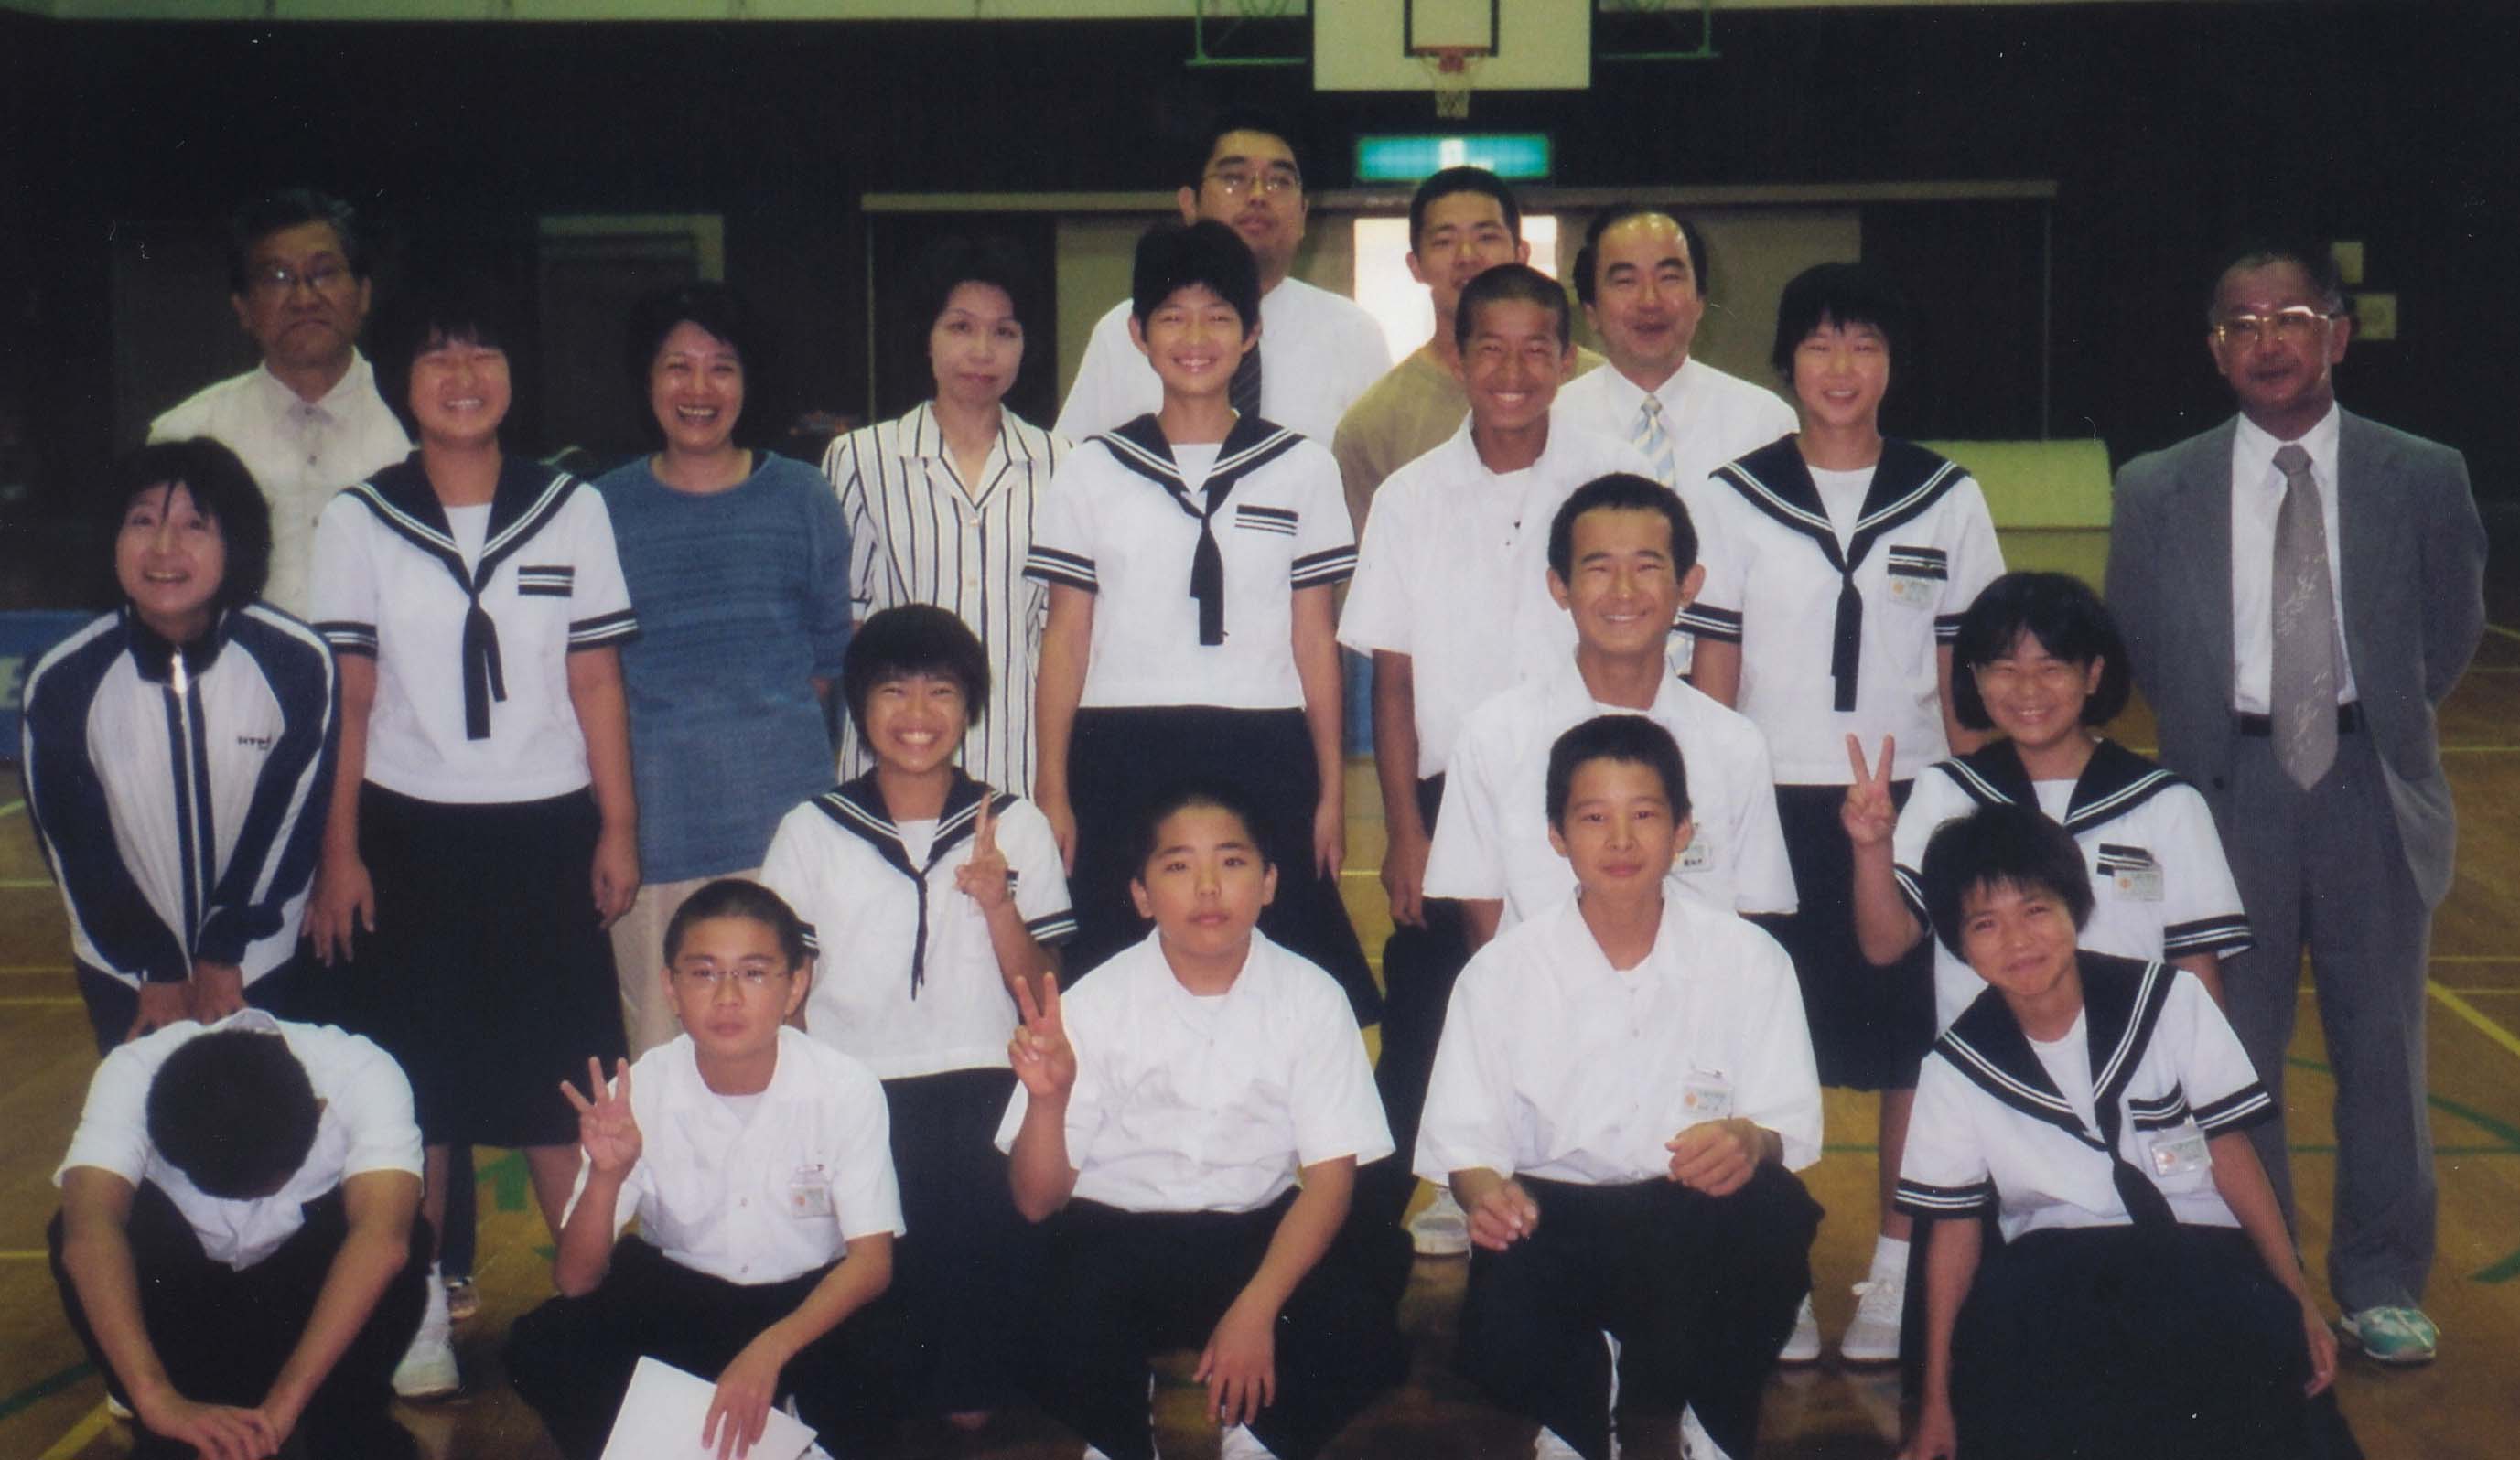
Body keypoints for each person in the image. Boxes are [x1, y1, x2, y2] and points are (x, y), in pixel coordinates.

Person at [2107, 240, 2485, 1365]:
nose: (2267, 341)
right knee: (2234, 1048)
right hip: (2225, 795)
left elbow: (2450, 630)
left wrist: (2367, 720)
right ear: (2215, 348)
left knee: (2383, 1047)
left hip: (2370, 784)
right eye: (2243, 323)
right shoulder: (2155, 486)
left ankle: (2381, 1281)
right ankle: (2263, 1280)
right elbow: (2140, 640)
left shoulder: (2423, 474)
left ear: (2339, 334)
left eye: (2291, 318)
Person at [306, 280, 639, 1397]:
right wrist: (339, 852)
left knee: (567, 1091)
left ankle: (597, 1314)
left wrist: (618, 825)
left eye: (484, 350)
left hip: (549, 834)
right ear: (402, 380)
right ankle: (417, 1322)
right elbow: (349, 700)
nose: (463, 375)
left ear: (514, 372)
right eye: (438, 354)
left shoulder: (571, 507)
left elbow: (596, 679)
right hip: (407, 839)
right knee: (418, 1098)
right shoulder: (358, 518)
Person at [1685, 262, 2005, 1365]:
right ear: (1787, 363)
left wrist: (1982, 816)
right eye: (1820, 344)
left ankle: (1897, 1273)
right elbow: (1714, 673)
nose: (1841, 367)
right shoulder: (1736, 493)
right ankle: (1770, 1270)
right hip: (1766, 804)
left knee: (1915, 1047)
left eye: (1864, 344)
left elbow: (1968, 683)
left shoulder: (1946, 495)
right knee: (1757, 1046)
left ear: (1893, 364)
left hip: (1911, 807)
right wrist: (1705, 814)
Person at [1336, 269, 1656, 1251]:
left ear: (1566, 358)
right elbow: (1394, 684)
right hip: (1451, 807)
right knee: (1422, 1042)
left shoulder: (1618, 482)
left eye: (1535, 349)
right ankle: (1354, 1273)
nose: (1513, 371)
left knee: (1597, 1033)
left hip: (1597, 802)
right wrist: (1406, 833)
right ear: (1458, 357)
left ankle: (1593, 1253)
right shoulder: (1410, 496)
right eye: (1491, 348)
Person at [1417, 715, 1822, 1460]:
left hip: (1685, 1211)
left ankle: (1712, 1417)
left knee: (1774, 1207)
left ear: (1683, 830)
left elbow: (1781, 1124)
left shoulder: (1748, 959)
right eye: (1594, 818)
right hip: (1553, 1213)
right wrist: (1485, 1197)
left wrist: (1747, 1140)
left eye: (1645, 815)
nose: (1622, 841)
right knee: (1497, 1335)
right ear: (1556, 836)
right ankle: (1575, 1407)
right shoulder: (1500, 973)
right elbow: (1465, 1148)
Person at [1896, 804, 2340, 1460]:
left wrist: (2298, 1296)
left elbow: (2231, 1152)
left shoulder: (2170, 999)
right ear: (1960, 944)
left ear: (2075, 908)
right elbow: (1954, 1233)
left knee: (2258, 1341)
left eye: (2036, 910)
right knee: (2017, 1351)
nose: (2017, 941)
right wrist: (1936, 1400)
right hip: (2055, 1266)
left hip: (2198, 1248)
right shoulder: (1955, 1065)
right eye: (1986, 923)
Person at [1027, 220, 1376, 1019]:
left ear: (1250, 334)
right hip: (1120, 744)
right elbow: (1066, 636)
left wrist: (1329, 789)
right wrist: (1053, 784)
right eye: (1173, 318)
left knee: (1285, 970)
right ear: (1137, 334)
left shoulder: (1302, 467)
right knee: (1115, 970)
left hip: (1264, 739)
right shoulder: (1090, 469)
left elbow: (1314, 640)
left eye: (1218, 318)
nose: (1195, 339)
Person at [999, 782, 1408, 1460]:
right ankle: (1120, 1431)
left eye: (1232, 861)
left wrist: (1255, 1312)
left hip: (1252, 1230)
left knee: (1362, 1315)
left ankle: (1258, 1433)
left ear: (1269, 882)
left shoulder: (1312, 996)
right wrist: (1049, 1099)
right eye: (1179, 866)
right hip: (1116, 1234)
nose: (1209, 888)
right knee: (1035, 1300)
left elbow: (1332, 1181)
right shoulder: (1093, 1003)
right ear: (1141, 895)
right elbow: (1037, 1202)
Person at [759, 605, 1073, 1426]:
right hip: (853, 1091)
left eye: (941, 691)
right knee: (862, 1388)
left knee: (971, 1403)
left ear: (970, 707)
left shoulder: (1016, 824)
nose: (917, 714)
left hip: (985, 1086)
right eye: (893, 691)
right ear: (859, 705)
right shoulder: (810, 830)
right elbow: (783, 994)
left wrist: (999, 903)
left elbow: (1045, 995)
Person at [508, 880, 908, 1460]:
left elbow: (872, 1263)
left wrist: (769, 1352)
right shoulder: (638, 1090)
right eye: (703, 973)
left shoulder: (845, 1086)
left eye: (754, 973)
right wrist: (605, 1177)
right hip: (685, 1299)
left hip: (807, 1303)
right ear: (671, 988)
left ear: (795, 986)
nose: (727, 997)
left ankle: (778, 1428)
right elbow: (574, 1280)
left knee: (892, 1348)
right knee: (546, 1343)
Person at [597, 282, 851, 1057]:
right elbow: (591, 679)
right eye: (678, 366)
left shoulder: (803, 496)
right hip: (656, 838)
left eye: (722, 367)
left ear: (749, 381)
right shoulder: (600, 509)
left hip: (786, 832)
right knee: (664, 1064)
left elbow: (827, 661)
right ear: (647, 379)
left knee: (797, 1060)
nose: (699, 389)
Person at [23, 438, 338, 1053]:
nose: (164, 547)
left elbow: (288, 826)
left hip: (256, 963)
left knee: (261, 1114)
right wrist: (154, 966)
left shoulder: (298, 663)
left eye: (196, 525)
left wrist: (224, 954)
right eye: (142, 521)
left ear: (235, 542)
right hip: (127, 975)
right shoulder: (62, 679)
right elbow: (73, 844)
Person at [1846, 570, 2252, 1033]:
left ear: (2093, 674)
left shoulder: (2167, 803)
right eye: (2005, 669)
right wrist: (1871, 848)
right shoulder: (1947, 791)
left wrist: (2210, 1075)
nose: (2028, 690)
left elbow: (2197, 975)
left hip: (2134, 1065)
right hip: (1988, 1066)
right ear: (1975, 678)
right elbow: (1885, 945)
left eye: (2051, 668)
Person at [1427, 472, 1794, 940]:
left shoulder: (1736, 745)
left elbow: (1755, 915)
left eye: (1647, 567)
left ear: (1689, 584)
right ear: (1559, 587)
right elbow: (1483, 913)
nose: (1624, 591)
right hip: (1544, 987)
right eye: (1599, 569)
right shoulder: (1493, 737)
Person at [50, 1014, 430, 1460]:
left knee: (397, 1224)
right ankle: (178, 1432)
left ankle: (344, 1424)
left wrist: (285, 1403)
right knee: (79, 1223)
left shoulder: (361, 1072)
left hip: (307, 1316)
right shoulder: (133, 1071)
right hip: (191, 1319)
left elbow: (383, 1240)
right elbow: (88, 1231)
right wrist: (155, 1398)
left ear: (318, 1110)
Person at [825, 234, 1068, 798]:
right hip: (891, 759)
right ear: (926, 338)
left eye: (1004, 332)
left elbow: (1063, 635)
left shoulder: (1065, 463)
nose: (982, 351)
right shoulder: (860, 458)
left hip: (1019, 759)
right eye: (960, 327)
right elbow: (848, 626)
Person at [1553, 206, 1799, 673]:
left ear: (1701, 299)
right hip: (1586, 686)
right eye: (1625, 281)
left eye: (1669, 278)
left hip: (1734, 688)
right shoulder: (1552, 423)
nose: (1650, 300)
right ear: (1591, 311)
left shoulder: (1766, 424)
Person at [1055, 107, 1390, 446]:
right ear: (1190, 204)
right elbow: (1074, 462)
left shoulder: (1354, 335)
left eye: (1279, 181)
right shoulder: (1122, 332)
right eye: (1234, 178)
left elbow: (1382, 471)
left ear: (1303, 213)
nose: (1258, 195)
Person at [149, 188, 411, 618]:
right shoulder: (186, 435)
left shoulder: (419, 425)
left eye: (324, 273)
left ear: (363, 293)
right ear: (242, 308)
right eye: (277, 278)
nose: (304, 298)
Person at [1329, 166, 1605, 533]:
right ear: (1415, 265)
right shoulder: (1373, 425)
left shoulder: (1599, 384)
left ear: (1521, 252)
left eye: (1486, 237)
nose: (1467, 256)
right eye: (1444, 241)